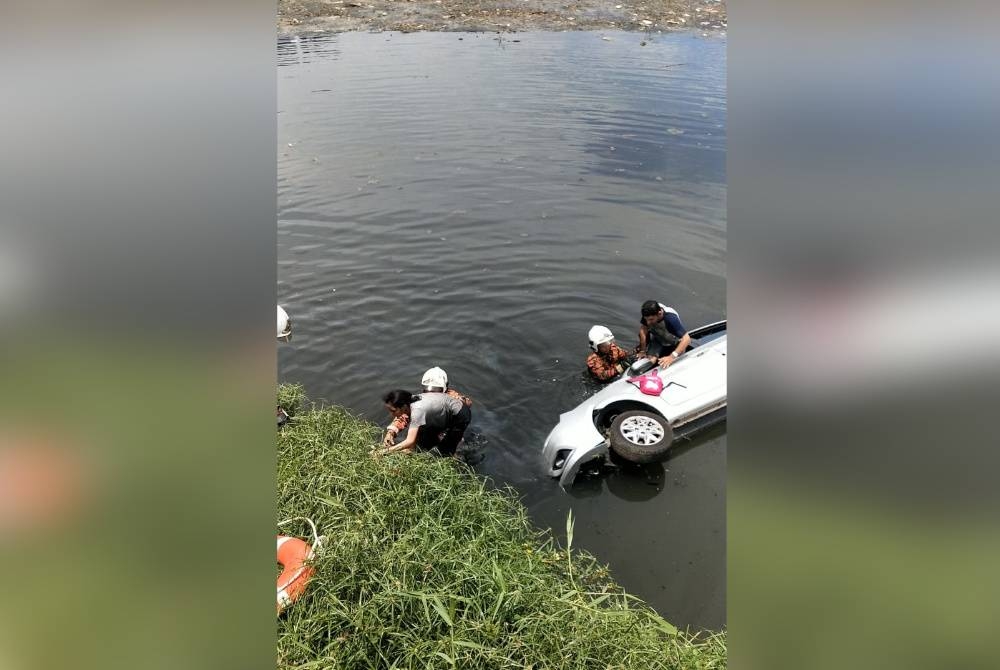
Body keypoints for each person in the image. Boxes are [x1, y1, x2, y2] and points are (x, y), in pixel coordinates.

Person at [381, 368, 473, 449]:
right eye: (427, 390)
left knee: (455, 446)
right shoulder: (421, 400)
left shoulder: (452, 397)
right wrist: (391, 432)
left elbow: (467, 404)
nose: (431, 394)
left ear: (445, 388)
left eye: (436, 391)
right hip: (431, 426)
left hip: (448, 427)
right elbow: (405, 414)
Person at [379, 387, 472, 457]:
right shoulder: (411, 399)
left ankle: (455, 459)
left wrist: (385, 451)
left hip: (460, 415)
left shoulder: (417, 411)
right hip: (445, 412)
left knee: (445, 451)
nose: (391, 414)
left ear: (403, 407)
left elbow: (410, 441)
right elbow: (404, 420)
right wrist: (391, 432)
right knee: (423, 436)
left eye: (393, 411)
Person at [636, 300, 691, 369]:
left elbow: (687, 339)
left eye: (651, 319)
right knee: (649, 362)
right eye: (646, 319)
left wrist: (671, 357)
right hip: (658, 339)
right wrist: (642, 350)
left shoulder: (671, 319)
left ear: (659, 314)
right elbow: (643, 330)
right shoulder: (648, 313)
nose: (648, 322)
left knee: (671, 365)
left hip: (674, 341)